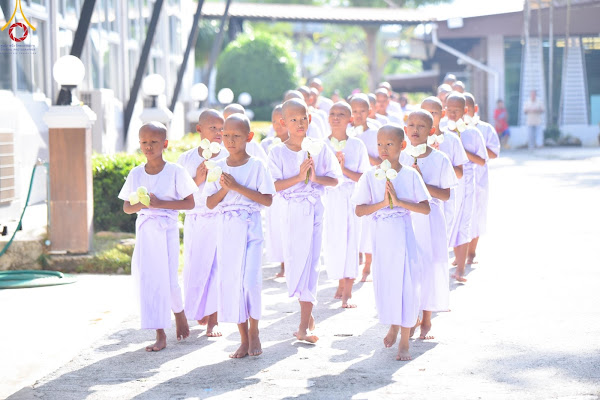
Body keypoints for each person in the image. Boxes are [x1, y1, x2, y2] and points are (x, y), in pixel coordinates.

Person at [352, 124, 431, 361]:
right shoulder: (370, 175)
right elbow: (359, 210)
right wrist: (383, 203)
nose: (383, 149)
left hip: (403, 237)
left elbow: (425, 208)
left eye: (389, 144)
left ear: (402, 146)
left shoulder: (410, 174)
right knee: (388, 283)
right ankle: (394, 325)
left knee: (406, 283)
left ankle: (404, 341)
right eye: (379, 144)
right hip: (382, 239)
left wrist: (398, 201)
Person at [119, 122, 198, 352]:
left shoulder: (175, 171)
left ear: (165, 143)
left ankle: (179, 313)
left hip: (167, 230)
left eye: (154, 142)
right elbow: (127, 207)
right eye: (144, 142)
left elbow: (190, 203)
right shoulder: (136, 174)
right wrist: (143, 205)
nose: (148, 146)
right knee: (150, 280)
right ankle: (160, 333)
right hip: (145, 231)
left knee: (169, 278)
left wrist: (160, 203)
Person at [268, 99, 341, 343]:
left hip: (314, 209)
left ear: (309, 118)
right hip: (290, 213)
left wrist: (315, 177)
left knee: (311, 263)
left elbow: (334, 180)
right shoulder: (277, 152)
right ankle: (307, 315)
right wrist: (299, 177)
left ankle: (303, 327)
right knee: (295, 262)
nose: (300, 123)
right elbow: (273, 185)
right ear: (283, 122)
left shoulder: (320, 147)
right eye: (293, 119)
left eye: (303, 118)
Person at [204, 114, 276, 358]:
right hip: (227, 229)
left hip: (250, 226)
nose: (230, 140)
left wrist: (237, 187)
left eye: (236, 136)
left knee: (250, 282)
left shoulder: (257, 166)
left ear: (249, 137)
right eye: (226, 135)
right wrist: (225, 190)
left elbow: (267, 199)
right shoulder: (217, 167)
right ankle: (243, 338)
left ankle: (255, 330)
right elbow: (210, 203)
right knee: (233, 281)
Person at [400, 110, 457, 340]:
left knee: (429, 265)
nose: (415, 130)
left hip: (431, 218)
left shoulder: (440, 159)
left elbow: (446, 194)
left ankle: (426, 317)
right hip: (407, 216)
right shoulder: (400, 157)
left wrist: (421, 181)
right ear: (405, 129)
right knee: (410, 266)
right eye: (411, 125)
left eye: (421, 126)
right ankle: (410, 315)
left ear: (431, 130)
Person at [177, 109, 227, 337]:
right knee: (194, 267)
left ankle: (213, 320)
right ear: (199, 129)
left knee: (216, 268)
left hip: (218, 219)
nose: (218, 133)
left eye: (221, 128)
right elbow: (178, 193)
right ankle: (198, 309)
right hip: (195, 220)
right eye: (213, 128)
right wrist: (197, 180)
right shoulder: (186, 159)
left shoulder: (227, 157)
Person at [324, 102, 370, 307]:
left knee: (351, 241)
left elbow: (364, 177)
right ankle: (340, 282)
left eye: (341, 114)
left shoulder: (357, 145)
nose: (336, 117)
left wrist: (343, 170)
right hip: (331, 199)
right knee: (334, 242)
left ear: (350, 119)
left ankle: (348, 291)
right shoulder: (321, 145)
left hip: (351, 197)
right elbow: (318, 176)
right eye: (332, 114)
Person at [444, 93, 488, 282]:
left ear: (465, 111)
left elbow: (482, 160)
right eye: (450, 110)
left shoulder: (473, 133)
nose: (453, 114)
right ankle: (451, 261)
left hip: (468, 182)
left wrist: (462, 150)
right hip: (449, 183)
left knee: (464, 222)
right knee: (450, 221)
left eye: (457, 110)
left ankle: (461, 269)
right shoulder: (441, 134)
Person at [421, 96, 468, 242]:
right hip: (421, 199)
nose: (429, 117)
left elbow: (459, 173)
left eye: (433, 113)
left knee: (441, 239)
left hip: (445, 198)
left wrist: (440, 157)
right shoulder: (413, 142)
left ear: (442, 114)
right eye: (425, 112)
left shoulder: (452, 140)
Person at [464, 93, 500, 265]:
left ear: (475, 109)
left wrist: (476, 148)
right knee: (461, 214)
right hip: (460, 179)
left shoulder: (485, 129)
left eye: (468, 109)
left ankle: (471, 252)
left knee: (477, 213)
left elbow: (493, 153)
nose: (465, 114)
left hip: (479, 179)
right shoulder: (451, 131)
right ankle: (460, 253)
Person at [351, 94, 381, 282]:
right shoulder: (347, 133)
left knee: (368, 226)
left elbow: (383, 160)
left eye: (362, 111)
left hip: (371, 183)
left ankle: (368, 265)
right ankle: (354, 263)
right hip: (350, 183)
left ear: (369, 111)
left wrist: (365, 153)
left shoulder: (376, 133)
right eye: (354, 111)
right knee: (353, 225)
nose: (358, 115)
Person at [261, 105, 288, 278]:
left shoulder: (296, 143)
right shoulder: (267, 144)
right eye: (274, 122)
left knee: (289, 227)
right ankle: (283, 263)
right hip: (274, 191)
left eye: (281, 121)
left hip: (290, 190)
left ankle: (290, 263)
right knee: (277, 228)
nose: (277, 126)